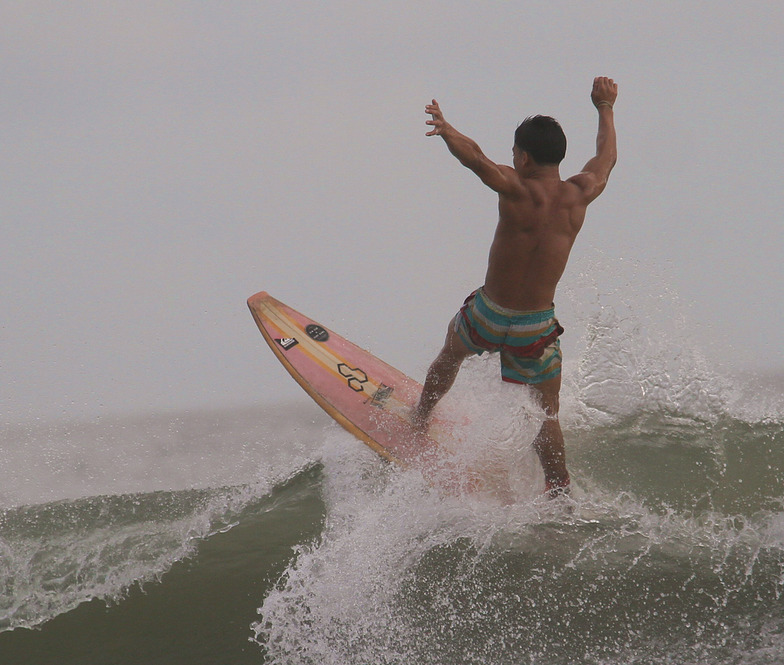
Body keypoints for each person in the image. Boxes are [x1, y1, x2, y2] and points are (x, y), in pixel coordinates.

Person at [412, 77, 618, 497]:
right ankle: (558, 489)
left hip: (488, 314)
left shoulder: (515, 188)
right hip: (535, 328)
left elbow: (475, 159)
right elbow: (606, 158)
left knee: (451, 354)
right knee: (547, 414)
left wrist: (448, 130)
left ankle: (420, 419)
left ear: (523, 157)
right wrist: (605, 106)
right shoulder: (580, 194)